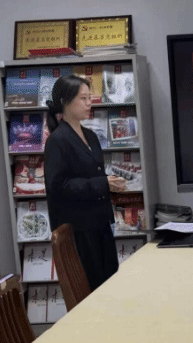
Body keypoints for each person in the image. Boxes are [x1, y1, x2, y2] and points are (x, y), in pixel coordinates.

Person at [44, 75, 126, 290]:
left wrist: (111, 184)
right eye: (83, 98)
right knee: (92, 289)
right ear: (65, 101)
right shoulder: (57, 140)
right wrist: (102, 184)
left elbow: (93, 174)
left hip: (101, 224)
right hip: (79, 230)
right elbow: (58, 185)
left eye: (90, 97)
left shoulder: (90, 135)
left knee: (110, 284)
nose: (89, 103)